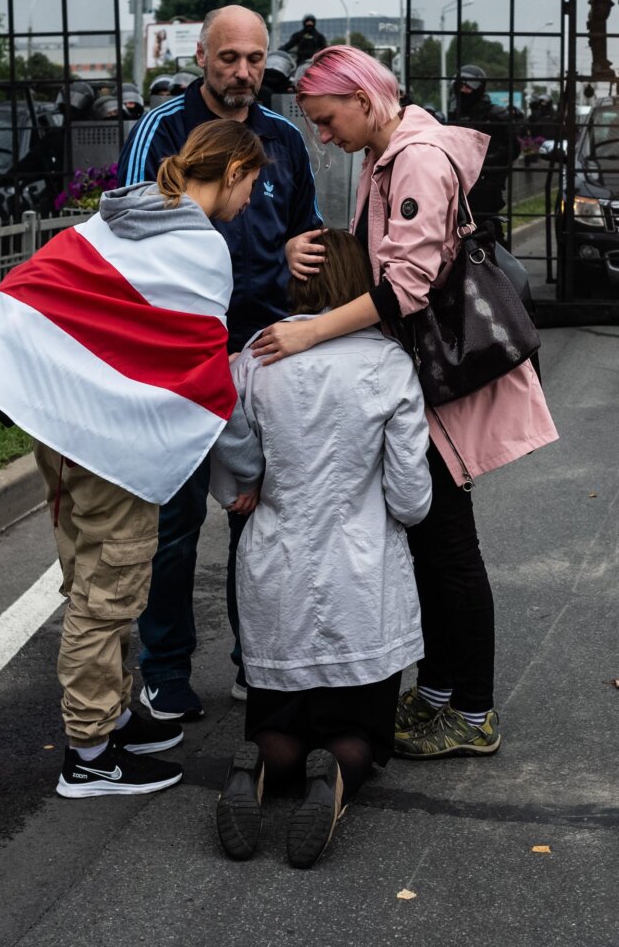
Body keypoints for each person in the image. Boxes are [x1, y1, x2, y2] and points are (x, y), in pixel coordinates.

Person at [257, 45, 558, 759]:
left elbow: (406, 288)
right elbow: (374, 258)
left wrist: (309, 336)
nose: (323, 138)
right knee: (429, 544)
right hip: (415, 377)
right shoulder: (386, 154)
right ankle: (438, 695)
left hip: (436, 381)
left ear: (362, 99)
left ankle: (473, 711)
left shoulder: (416, 159)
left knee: (450, 548)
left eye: (327, 121)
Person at [0, 119, 270, 798]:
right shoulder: (198, 246)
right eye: (252, 184)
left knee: (89, 574)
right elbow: (206, 373)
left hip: (67, 420)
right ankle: (91, 753)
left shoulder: (132, 215)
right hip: (111, 437)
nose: (252, 199)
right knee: (110, 589)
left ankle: (111, 714)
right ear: (231, 173)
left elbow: (31, 288)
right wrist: (243, 472)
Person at [118, 5, 322, 722]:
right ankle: (166, 670)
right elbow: (135, 229)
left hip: (261, 358)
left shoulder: (286, 139)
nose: (242, 73)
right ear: (201, 55)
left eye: (255, 59)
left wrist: (299, 259)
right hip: (176, 362)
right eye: (229, 57)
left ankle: (256, 661)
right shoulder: (163, 128)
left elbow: (308, 239)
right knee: (172, 528)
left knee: (261, 521)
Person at [210, 228, 433, 867]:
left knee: (279, 724)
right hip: (361, 580)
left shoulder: (254, 358)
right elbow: (411, 497)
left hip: (276, 569)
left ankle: (258, 765)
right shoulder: (388, 365)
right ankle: (335, 778)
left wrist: (246, 484)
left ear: (298, 283)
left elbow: (229, 462)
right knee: (355, 734)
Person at [446, 65, 517, 243]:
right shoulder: (455, 115)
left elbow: (512, 150)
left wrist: (486, 167)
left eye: (469, 87)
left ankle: (496, 269)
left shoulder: (495, 115)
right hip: (458, 188)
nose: (464, 91)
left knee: (490, 236)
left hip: (486, 189)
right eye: (461, 86)